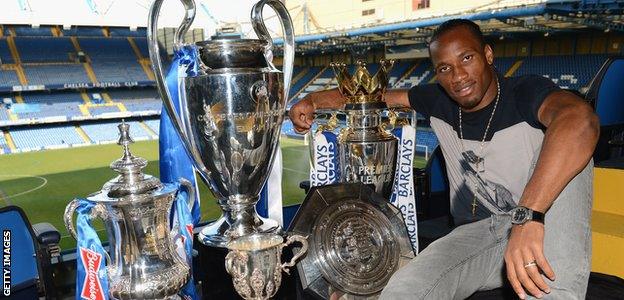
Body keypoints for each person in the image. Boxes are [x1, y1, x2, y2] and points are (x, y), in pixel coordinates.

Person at [288, 19, 598, 299]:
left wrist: (527, 217)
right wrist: (313, 99)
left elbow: (580, 120)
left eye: (466, 58)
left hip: (537, 224)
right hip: (479, 236)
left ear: (488, 55)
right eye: (444, 68)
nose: (458, 76)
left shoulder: (524, 91)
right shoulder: (438, 100)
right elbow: (368, 97)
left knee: (568, 144)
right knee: (403, 289)